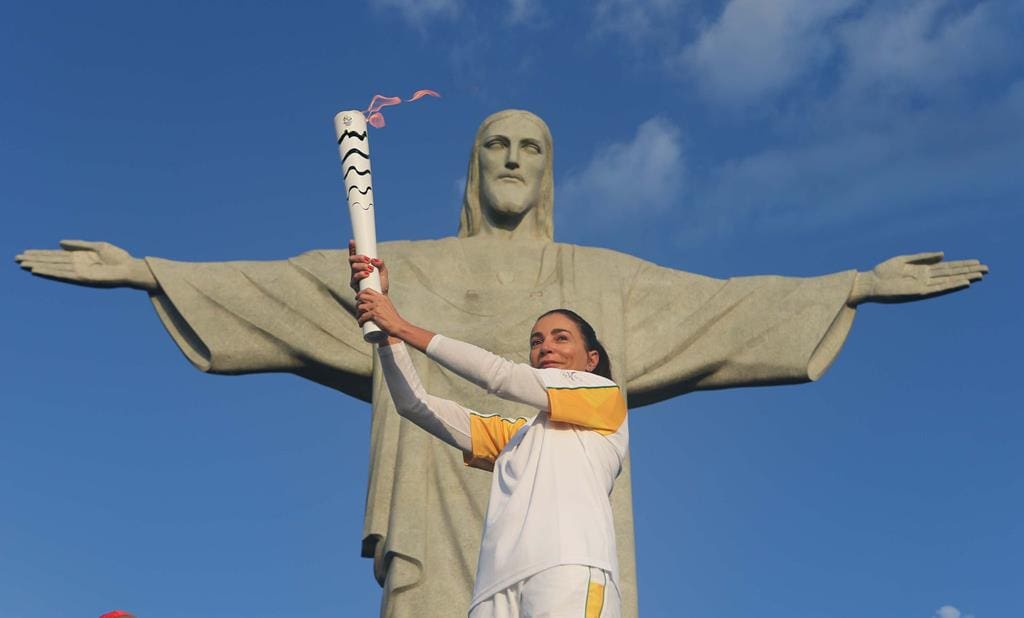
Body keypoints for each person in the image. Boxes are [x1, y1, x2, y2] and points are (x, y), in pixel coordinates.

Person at [15, 109, 987, 618]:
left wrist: (851, 285)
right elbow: (286, 290)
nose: (512, 159)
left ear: (549, 170)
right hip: (442, 527)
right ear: (472, 167)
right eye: (495, 145)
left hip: (569, 552)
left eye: (530, 146)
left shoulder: (600, 283)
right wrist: (150, 270)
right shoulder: (406, 265)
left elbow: (722, 304)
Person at [352, 247, 626, 617]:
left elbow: (501, 376)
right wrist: (385, 328)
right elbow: (414, 404)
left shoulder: (604, 399)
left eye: (561, 338)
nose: (546, 347)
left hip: (569, 568)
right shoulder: (517, 438)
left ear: (591, 359)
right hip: (494, 589)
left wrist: (401, 324)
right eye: (536, 341)